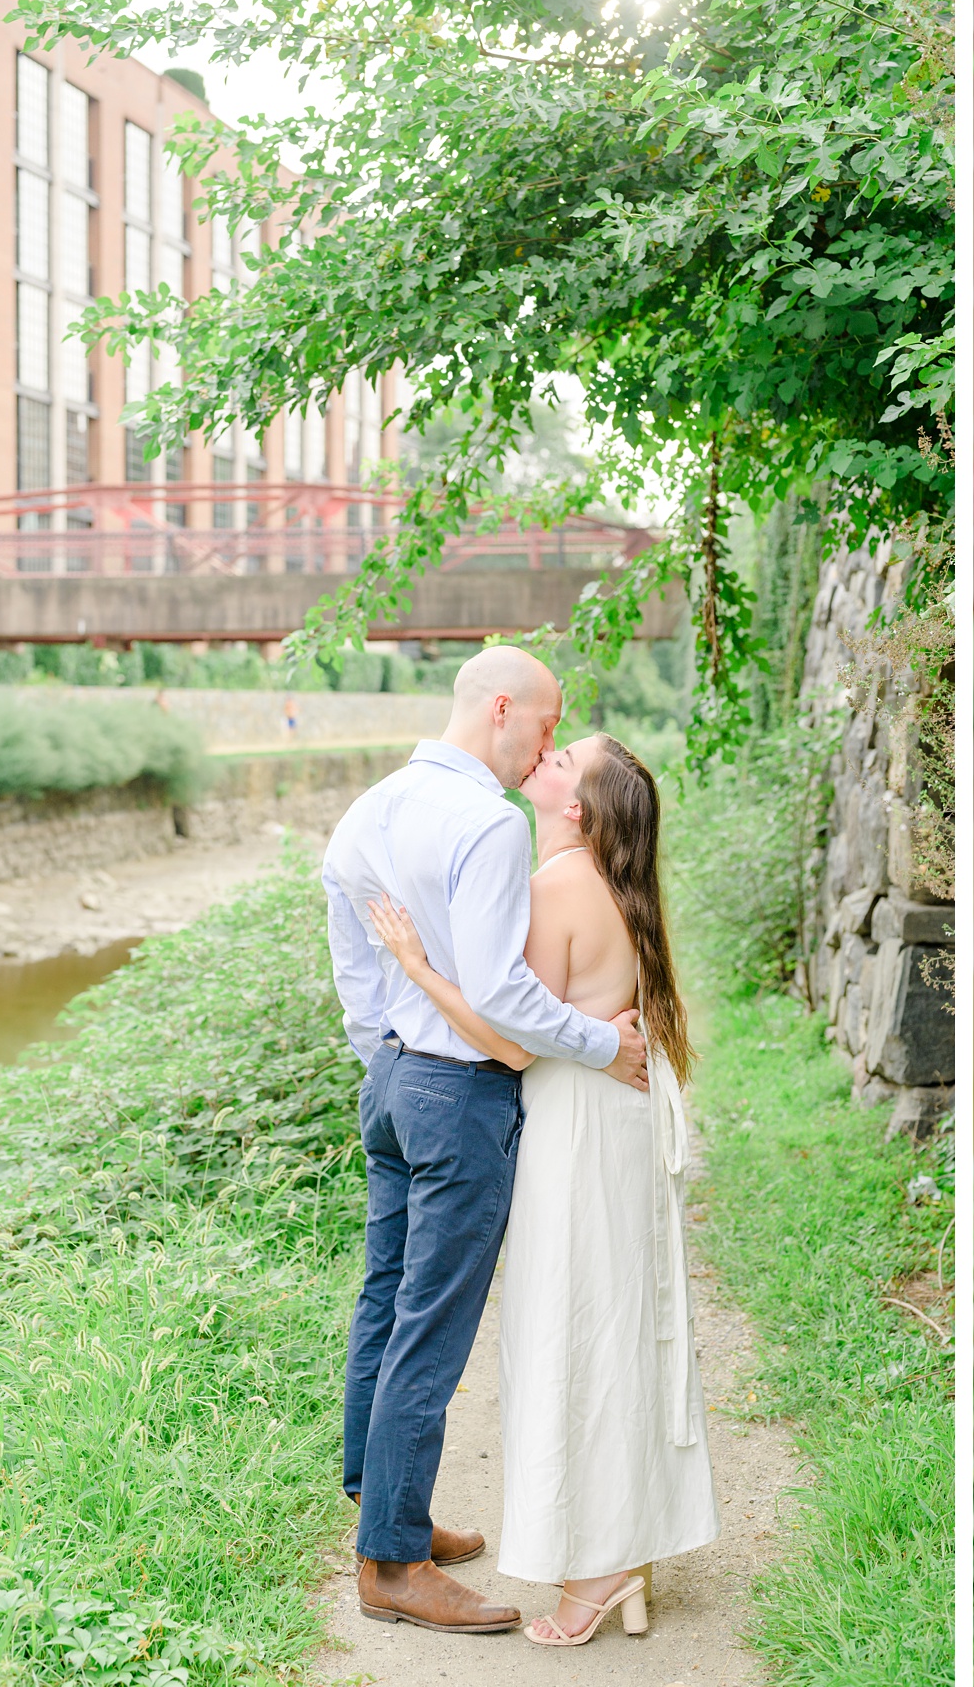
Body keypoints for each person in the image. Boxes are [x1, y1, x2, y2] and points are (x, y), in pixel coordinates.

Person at [320, 646, 649, 1638]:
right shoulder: (489, 827)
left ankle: (386, 1510)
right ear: (501, 707)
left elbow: (350, 951)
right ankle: (392, 1564)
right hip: (459, 1093)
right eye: (547, 724)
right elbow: (507, 994)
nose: (549, 744)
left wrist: (381, 1052)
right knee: (431, 1324)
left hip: (390, 1080)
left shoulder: (369, 809)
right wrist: (600, 1043)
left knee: (386, 1298)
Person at [368, 732, 719, 1647]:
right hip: (608, 1120)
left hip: (575, 1124)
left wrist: (416, 968)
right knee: (612, 1328)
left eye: (565, 757)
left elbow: (511, 1040)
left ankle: (597, 1570)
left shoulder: (556, 886)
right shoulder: (613, 888)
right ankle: (620, 1556)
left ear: (578, 807)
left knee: (574, 1335)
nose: (546, 755)